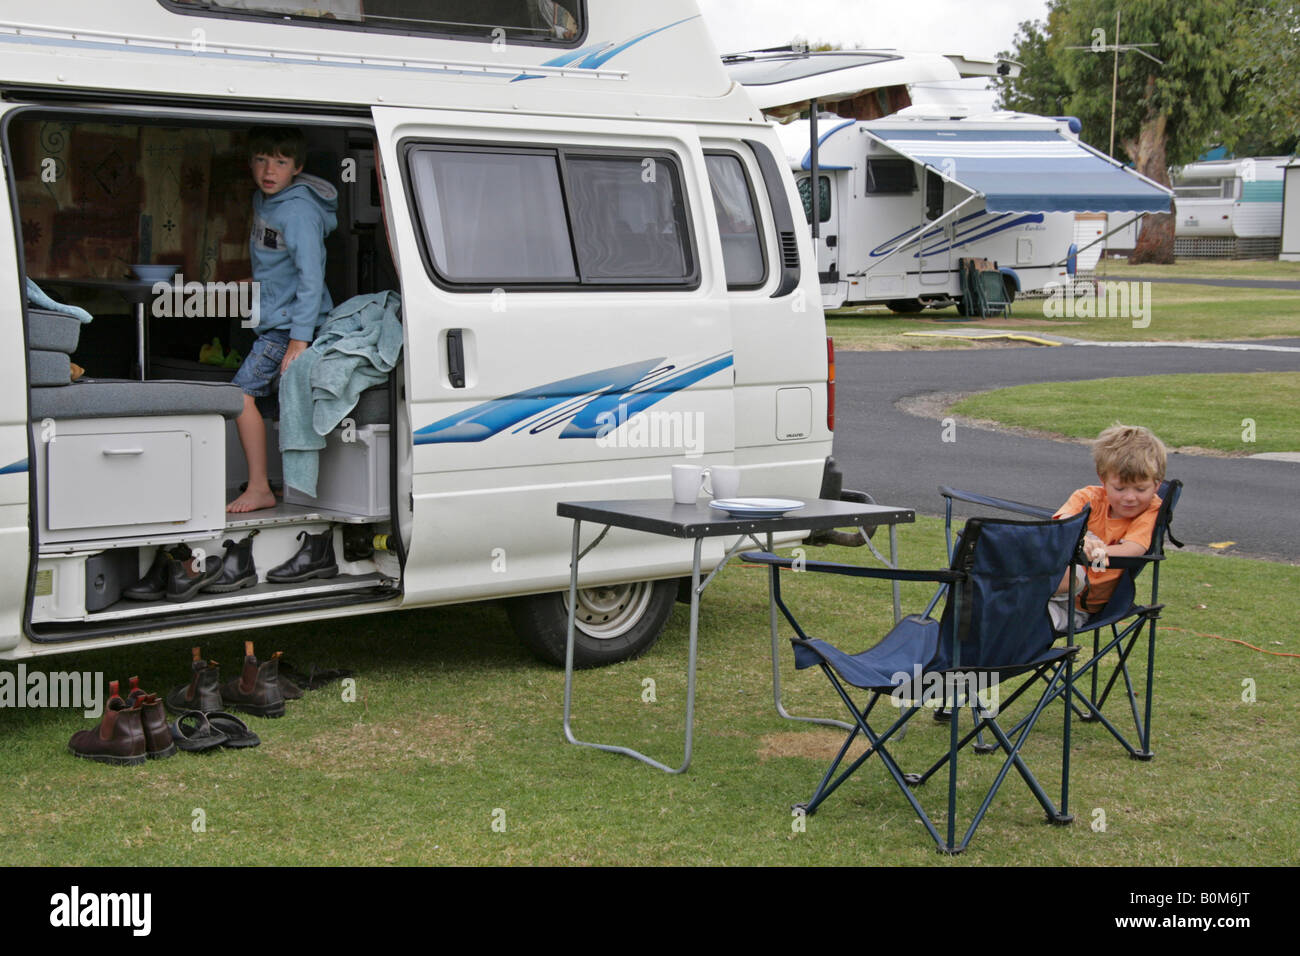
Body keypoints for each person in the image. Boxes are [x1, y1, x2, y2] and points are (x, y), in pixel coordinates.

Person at [227, 127, 338, 513]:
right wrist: (253, 282)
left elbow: (311, 277)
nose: (268, 170)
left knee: (239, 396)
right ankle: (268, 481)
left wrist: (299, 338)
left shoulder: (298, 212)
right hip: (276, 317)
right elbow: (279, 264)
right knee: (270, 403)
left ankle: (259, 487)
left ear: (298, 167)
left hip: (290, 325)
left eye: (280, 162)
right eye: (261, 160)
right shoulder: (266, 200)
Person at [1048, 424, 1166, 631]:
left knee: (1020, 616)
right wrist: (1082, 542)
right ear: (1103, 479)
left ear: (1157, 484)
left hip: (1075, 607)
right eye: (1120, 488)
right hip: (1049, 582)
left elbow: (1133, 549)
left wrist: (1092, 551)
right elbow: (1062, 524)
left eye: (1141, 489)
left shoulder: (1151, 510)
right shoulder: (1088, 497)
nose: (1130, 497)